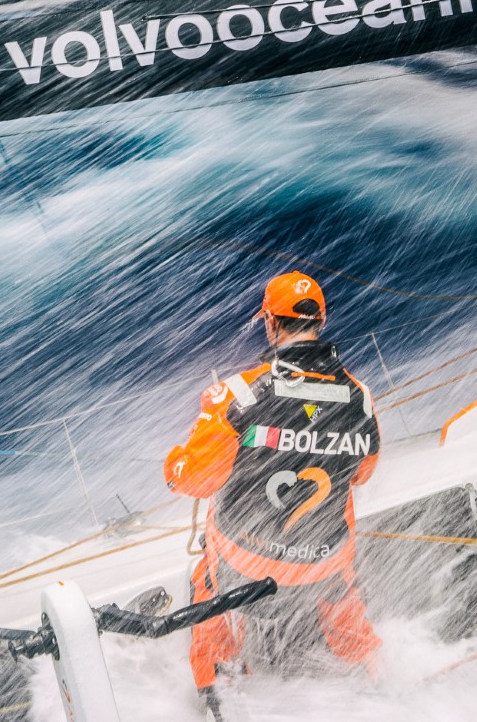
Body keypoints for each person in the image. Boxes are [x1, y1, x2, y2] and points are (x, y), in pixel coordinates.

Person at [164, 271, 382, 718]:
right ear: (321, 321)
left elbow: (195, 480)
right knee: (343, 573)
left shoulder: (237, 395)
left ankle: (219, 684)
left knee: (206, 578)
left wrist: (174, 463)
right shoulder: (360, 397)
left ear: (270, 323)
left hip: (247, 570)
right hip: (321, 566)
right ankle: (367, 671)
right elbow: (363, 473)